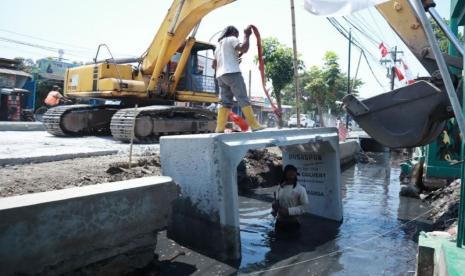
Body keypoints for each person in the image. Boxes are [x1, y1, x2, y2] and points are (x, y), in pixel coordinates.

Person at [212, 25, 264, 133]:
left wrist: (234, 59)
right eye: (237, 35)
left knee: (225, 102)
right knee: (242, 98)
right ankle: (254, 125)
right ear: (233, 32)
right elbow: (244, 48)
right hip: (232, 73)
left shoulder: (218, 47)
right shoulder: (232, 38)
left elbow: (214, 65)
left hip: (221, 77)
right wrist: (247, 35)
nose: (237, 37)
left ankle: (219, 128)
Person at [272, 165, 309, 232]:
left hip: (293, 223)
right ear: (284, 174)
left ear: (296, 175)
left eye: (293, 173)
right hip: (279, 222)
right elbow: (276, 201)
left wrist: (289, 211)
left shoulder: (300, 189)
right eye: (289, 173)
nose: (292, 175)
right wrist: (274, 208)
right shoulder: (280, 187)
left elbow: (305, 207)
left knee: (292, 241)